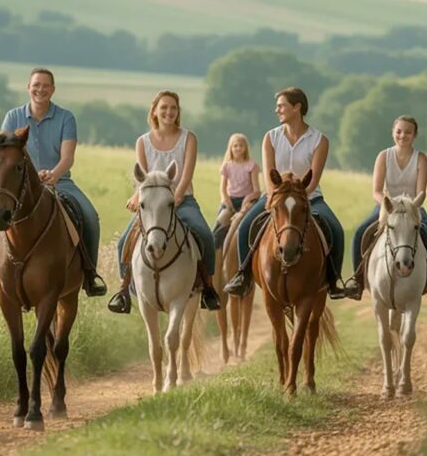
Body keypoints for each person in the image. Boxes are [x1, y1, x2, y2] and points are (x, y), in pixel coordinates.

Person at [0, 68, 107, 298]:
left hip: (60, 182)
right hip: (18, 187)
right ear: (28, 87)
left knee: (90, 216)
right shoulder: (13, 117)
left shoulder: (66, 118)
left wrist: (54, 174)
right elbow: (3, 155)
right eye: (36, 85)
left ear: (53, 89)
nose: (41, 89)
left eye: (46, 85)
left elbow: (68, 157)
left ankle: (90, 274)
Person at [223, 87, 347, 299]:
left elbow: (312, 179)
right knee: (244, 228)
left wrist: (300, 199)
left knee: (336, 229)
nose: (277, 110)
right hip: (275, 198)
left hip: (309, 197)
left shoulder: (319, 140)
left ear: (297, 107)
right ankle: (242, 276)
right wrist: (274, 199)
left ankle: (334, 281)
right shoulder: (270, 138)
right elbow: (270, 177)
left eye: (281, 106)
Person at [106, 91, 222, 314]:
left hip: (183, 200)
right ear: (155, 111)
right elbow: (143, 178)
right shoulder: (143, 141)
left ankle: (208, 288)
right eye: (164, 107)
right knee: (123, 242)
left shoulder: (189, 138)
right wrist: (137, 195)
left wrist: (176, 197)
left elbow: (186, 174)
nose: (169, 112)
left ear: (178, 112)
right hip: (152, 205)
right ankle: (124, 291)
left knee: (205, 235)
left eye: (173, 108)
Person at [344, 116, 427, 303]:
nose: (403, 135)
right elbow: (376, 191)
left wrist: (412, 206)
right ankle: (357, 280)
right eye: (399, 131)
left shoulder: (421, 158)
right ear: (393, 132)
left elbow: (421, 192)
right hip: (387, 206)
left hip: (413, 207)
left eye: (408, 132)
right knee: (360, 232)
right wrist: (388, 204)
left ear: (415, 135)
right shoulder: (384, 156)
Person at [212, 133, 261, 250]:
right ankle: (214, 261)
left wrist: (247, 201)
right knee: (216, 230)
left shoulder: (252, 166)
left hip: (246, 201)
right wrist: (228, 203)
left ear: (245, 148)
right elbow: (223, 189)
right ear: (231, 148)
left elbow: (257, 191)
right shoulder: (226, 166)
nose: (238, 148)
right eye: (235, 146)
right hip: (230, 201)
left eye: (241, 146)